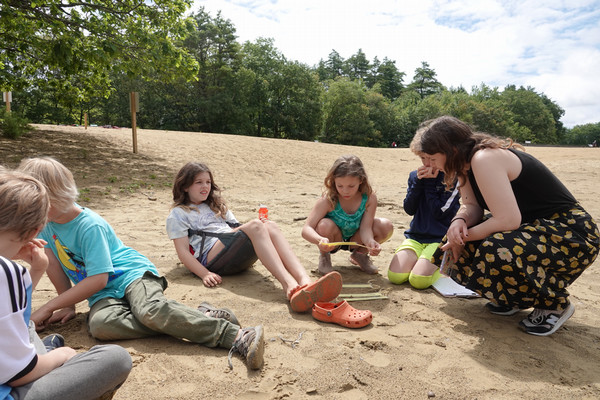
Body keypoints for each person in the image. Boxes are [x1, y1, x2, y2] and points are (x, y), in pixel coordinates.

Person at [18, 157, 265, 370]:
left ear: (51, 195)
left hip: (131, 275)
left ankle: (235, 335)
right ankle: (198, 316)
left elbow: (98, 278)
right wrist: (68, 304)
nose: (28, 210)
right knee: (102, 325)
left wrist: (48, 307)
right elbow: (54, 265)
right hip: (102, 293)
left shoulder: (88, 224)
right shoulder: (46, 224)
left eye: (32, 202)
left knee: (150, 311)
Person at [418, 116, 599, 336]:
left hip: (570, 233)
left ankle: (554, 305)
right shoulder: (464, 166)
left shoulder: (484, 158)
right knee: (458, 236)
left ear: (452, 150)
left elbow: (507, 220)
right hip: (533, 228)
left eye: (432, 158)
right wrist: (458, 223)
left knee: (496, 247)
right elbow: (471, 206)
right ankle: (512, 297)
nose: (427, 165)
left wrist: (463, 237)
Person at [0, 170, 132, 400]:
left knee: (28, 329)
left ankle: (46, 350)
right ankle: (50, 351)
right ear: (34, 231)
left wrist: (37, 270)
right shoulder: (7, 272)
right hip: (12, 385)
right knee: (116, 358)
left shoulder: (89, 225)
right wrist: (61, 356)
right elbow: (18, 373)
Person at [166, 162, 342, 313]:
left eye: (208, 182)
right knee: (256, 225)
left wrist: (261, 228)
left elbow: (236, 228)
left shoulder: (215, 205)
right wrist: (204, 274)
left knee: (270, 225)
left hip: (233, 253)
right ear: (185, 186)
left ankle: (305, 281)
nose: (205, 187)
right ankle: (288, 284)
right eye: (199, 182)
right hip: (210, 259)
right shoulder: (179, 214)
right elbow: (183, 253)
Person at [388, 129, 460, 289]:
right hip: (416, 236)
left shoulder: (454, 178)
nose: (427, 164)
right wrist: (419, 183)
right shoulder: (415, 176)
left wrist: (428, 183)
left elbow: (440, 212)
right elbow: (409, 209)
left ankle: (446, 267)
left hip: (440, 238)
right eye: (423, 158)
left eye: (432, 159)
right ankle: (423, 261)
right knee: (395, 276)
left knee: (418, 281)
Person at [302, 155, 394, 275]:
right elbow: (306, 229)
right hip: (333, 239)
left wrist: (370, 242)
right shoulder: (328, 199)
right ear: (333, 181)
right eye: (340, 186)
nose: (345, 191)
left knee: (385, 225)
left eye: (351, 186)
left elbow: (366, 228)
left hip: (357, 238)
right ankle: (324, 257)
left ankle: (360, 255)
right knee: (324, 224)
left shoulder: (369, 198)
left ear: (361, 180)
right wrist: (320, 240)